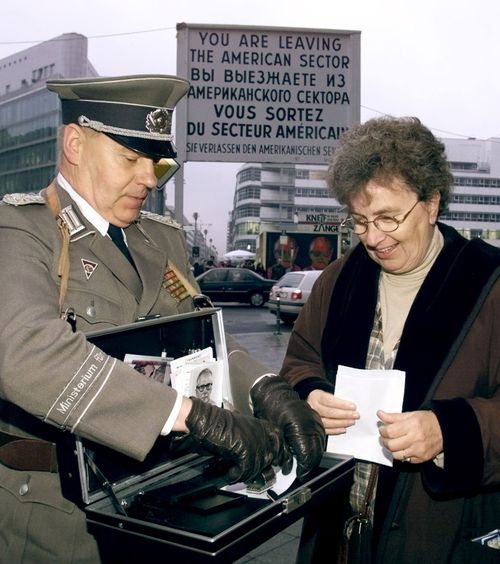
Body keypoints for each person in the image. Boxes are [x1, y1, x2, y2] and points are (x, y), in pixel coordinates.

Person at [0, 75, 324, 563]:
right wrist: (190, 416)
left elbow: (203, 333)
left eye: (154, 161)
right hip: (56, 512)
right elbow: (27, 355)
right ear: (74, 144)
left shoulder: (159, 239)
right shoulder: (22, 231)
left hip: (157, 495)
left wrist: (267, 390)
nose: (150, 178)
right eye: (130, 159)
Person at [280, 116, 500, 562]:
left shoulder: (489, 283)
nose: (374, 239)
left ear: (432, 203)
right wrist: (311, 393)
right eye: (359, 222)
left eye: (388, 218)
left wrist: (450, 431)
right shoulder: (340, 278)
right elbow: (299, 362)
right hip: (336, 532)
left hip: (437, 539)